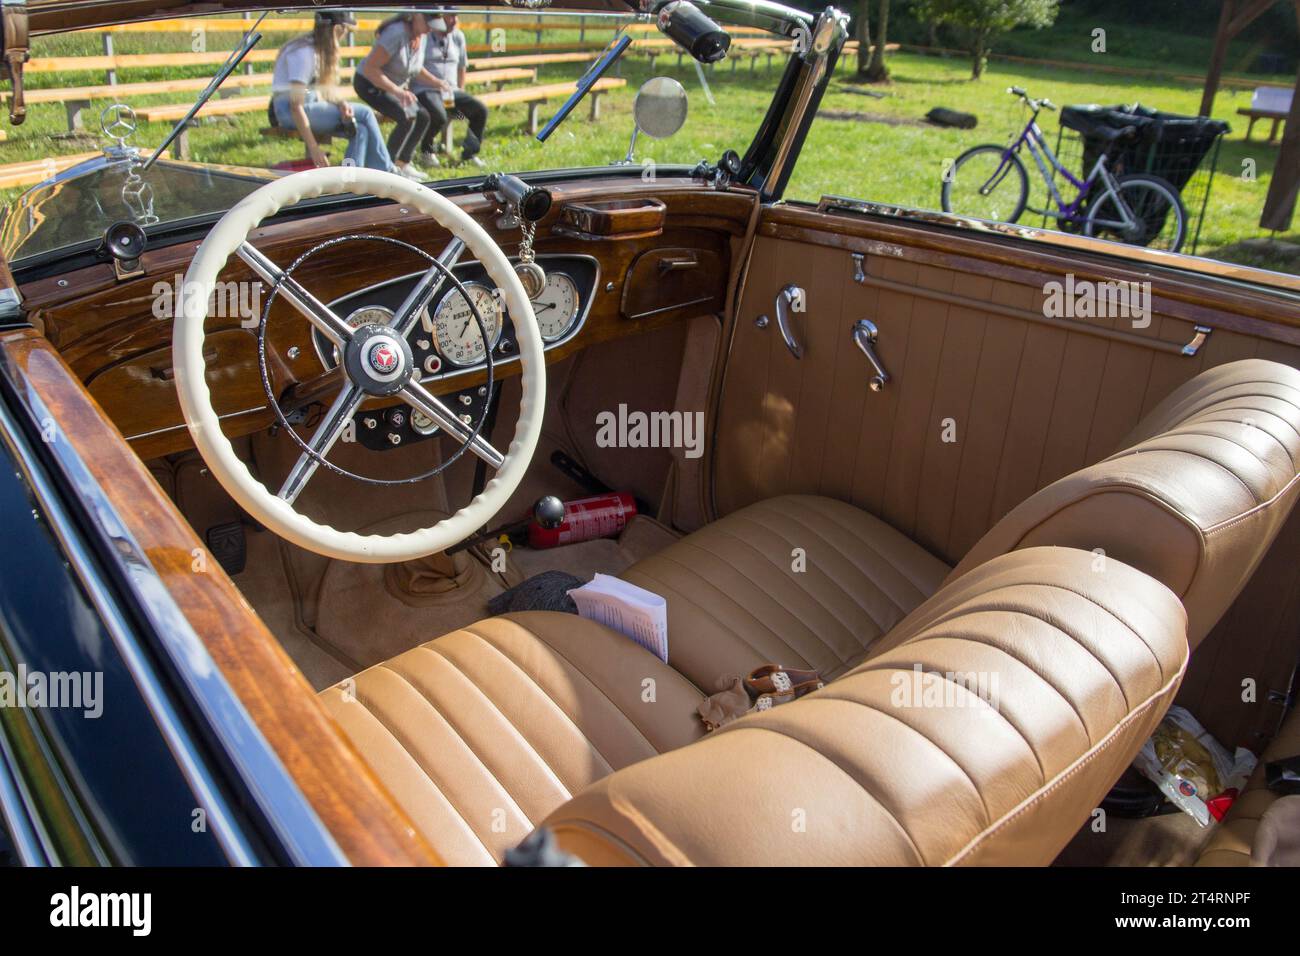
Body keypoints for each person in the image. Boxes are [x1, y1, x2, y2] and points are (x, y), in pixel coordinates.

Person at [270, 11, 391, 172]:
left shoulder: (316, 49)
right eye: (345, 30)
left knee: (359, 129)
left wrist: (341, 103)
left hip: (308, 105)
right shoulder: (305, 53)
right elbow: (295, 105)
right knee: (366, 113)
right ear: (336, 29)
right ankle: (387, 171)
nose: (345, 35)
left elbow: (323, 90)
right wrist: (314, 148)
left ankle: (351, 178)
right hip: (289, 112)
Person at [352, 12, 445, 180]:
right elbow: (370, 69)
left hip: (392, 87)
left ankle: (403, 164)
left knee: (422, 116)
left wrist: (437, 82)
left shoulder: (421, 35)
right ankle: (385, 169)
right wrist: (397, 92)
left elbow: (415, 69)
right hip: (368, 83)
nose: (431, 29)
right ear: (416, 16)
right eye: (429, 23)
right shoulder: (396, 33)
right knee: (405, 117)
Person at [412, 10, 487, 169]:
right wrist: (437, 82)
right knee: (438, 114)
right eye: (450, 16)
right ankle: (427, 152)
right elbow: (415, 67)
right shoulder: (425, 35)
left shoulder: (458, 36)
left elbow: (461, 67)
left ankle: (469, 154)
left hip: (451, 91)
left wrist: (460, 91)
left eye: (456, 16)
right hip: (426, 89)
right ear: (440, 17)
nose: (454, 20)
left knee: (480, 110)